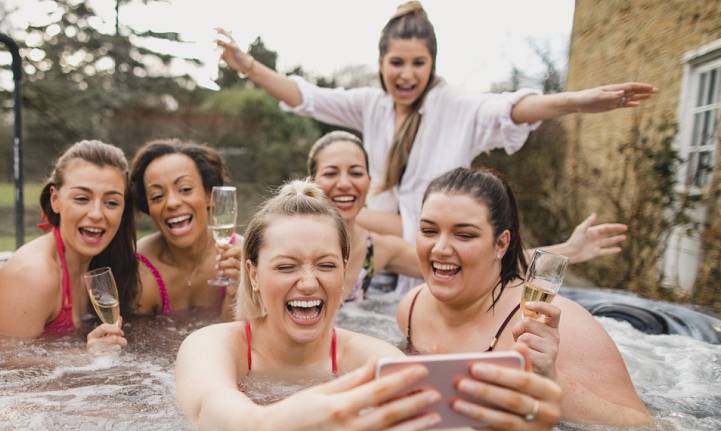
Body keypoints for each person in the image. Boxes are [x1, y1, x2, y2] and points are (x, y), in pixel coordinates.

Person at [175, 180, 563, 431]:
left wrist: (514, 419)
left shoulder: (366, 356)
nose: (309, 282)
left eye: (326, 265)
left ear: (345, 272)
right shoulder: (213, 345)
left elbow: (441, 417)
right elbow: (212, 413)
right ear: (254, 274)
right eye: (286, 266)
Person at [217, 2, 655, 249]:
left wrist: (579, 101)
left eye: (418, 64)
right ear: (381, 63)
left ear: (432, 64)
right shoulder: (371, 105)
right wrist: (249, 66)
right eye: (397, 63)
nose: (406, 75)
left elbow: (511, 109)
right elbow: (304, 95)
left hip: (431, 242)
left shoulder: (455, 107)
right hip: (382, 249)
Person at [397, 167, 652, 426]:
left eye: (464, 235)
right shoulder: (412, 307)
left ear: (501, 244)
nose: (440, 248)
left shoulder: (556, 325)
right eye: (429, 231)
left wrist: (552, 383)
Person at [307, 131, 629, 302]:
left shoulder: (379, 249)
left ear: (369, 182)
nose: (345, 183)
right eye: (331, 172)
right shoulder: (287, 240)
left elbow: (484, 263)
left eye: (356, 172)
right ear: (311, 181)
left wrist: (568, 251)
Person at [0, 140, 138, 349]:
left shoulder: (107, 262)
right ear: (55, 200)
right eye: (82, 198)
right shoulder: (33, 275)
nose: (96, 214)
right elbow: (2, 364)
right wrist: (85, 359)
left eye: (111, 202)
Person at [129, 139, 242, 318]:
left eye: (185, 189)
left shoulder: (241, 257)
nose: (172, 203)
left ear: (209, 195)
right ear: (148, 208)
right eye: (157, 196)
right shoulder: (139, 270)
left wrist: (235, 293)